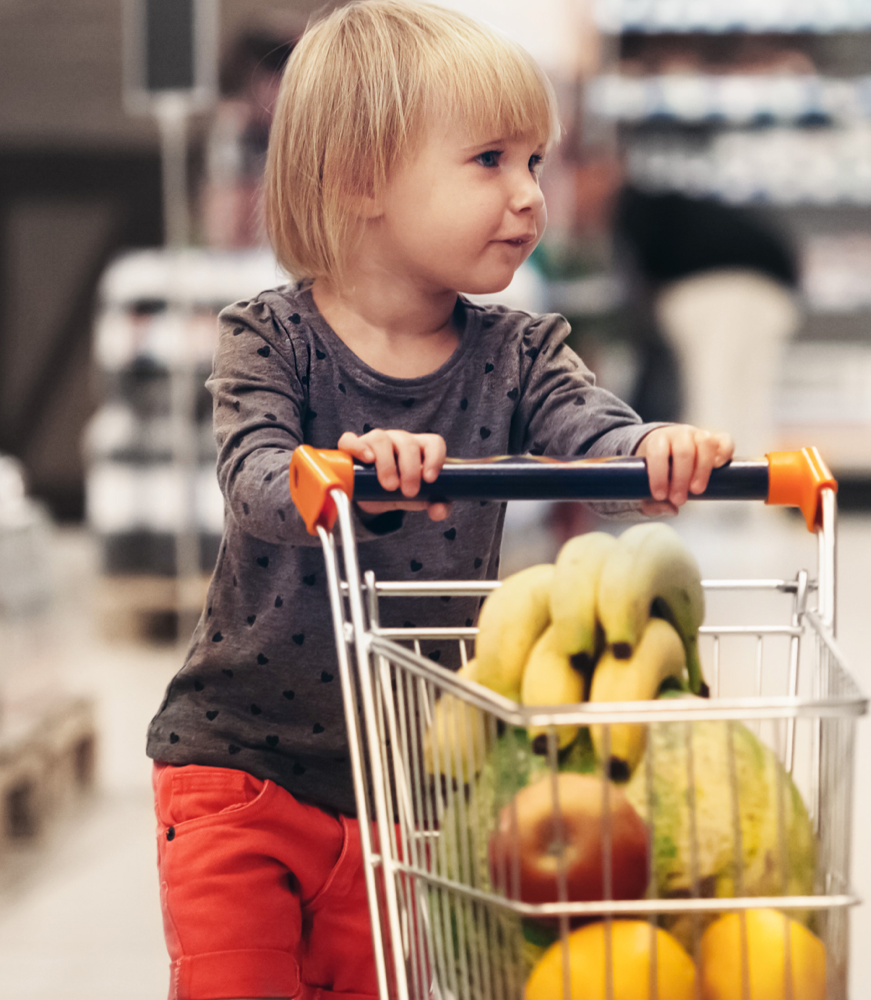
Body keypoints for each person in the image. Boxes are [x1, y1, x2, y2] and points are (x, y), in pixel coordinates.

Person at [142, 3, 733, 996]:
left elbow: (593, 433)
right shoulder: (268, 339)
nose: (529, 195)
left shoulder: (519, 350)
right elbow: (253, 479)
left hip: (410, 784)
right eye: (490, 160)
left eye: (536, 162)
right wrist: (346, 471)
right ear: (359, 180)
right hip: (239, 774)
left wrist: (652, 451)